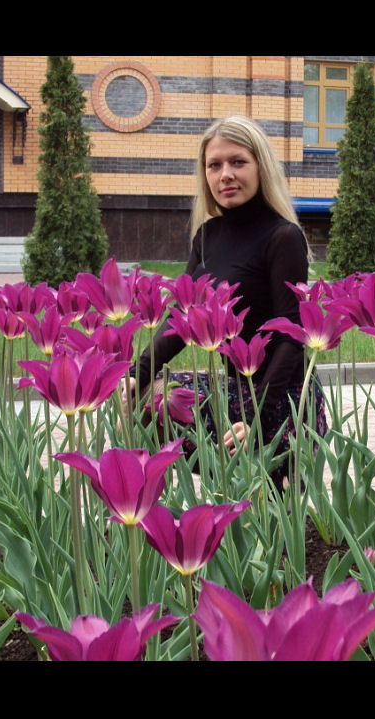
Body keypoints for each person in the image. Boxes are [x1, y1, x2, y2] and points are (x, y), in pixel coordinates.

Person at [125, 115, 328, 488]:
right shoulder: (206, 236)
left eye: (238, 162)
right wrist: (136, 374)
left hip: (283, 395)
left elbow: (292, 337)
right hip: (236, 390)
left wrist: (256, 419)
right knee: (148, 398)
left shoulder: (283, 237)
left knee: (267, 505)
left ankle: (271, 489)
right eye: (214, 165)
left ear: (260, 166)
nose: (225, 175)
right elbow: (182, 317)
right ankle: (179, 499)